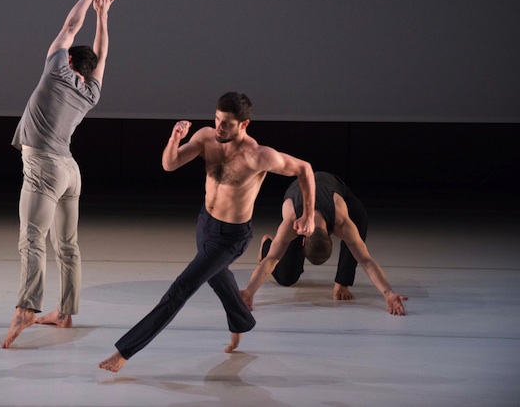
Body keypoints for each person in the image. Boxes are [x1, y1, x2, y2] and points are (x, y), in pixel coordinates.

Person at [99, 92, 316, 372]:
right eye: (217, 119)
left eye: (226, 123)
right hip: (205, 223)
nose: (219, 127)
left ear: (244, 125)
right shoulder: (206, 138)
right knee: (216, 277)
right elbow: (170, 164)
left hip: (231, 238)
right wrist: (174, 139)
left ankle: (124, 352)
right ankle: (242, 321)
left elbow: (304, 169)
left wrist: (308, 215)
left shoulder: (258, 155)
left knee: (181, 288)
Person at [2, 0, 117, 349]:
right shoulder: (92, 92)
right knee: (67, 245)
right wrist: (104, 16)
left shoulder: (55, 71)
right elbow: (102, 55)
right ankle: (65, 313)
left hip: (45, 169)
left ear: (68, 59)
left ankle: (26, 308)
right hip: (70, 171)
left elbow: (70, 24)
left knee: (32, 239)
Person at [240, 171, 408, 315]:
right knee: (286, 278)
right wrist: (249, 291)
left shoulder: (342, 222)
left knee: (360, 219)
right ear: (303, 239)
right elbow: (271, 260)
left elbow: (366, 260)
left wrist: (389, 294)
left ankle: (342, 283)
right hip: (298, 188)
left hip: (331, 184)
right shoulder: (291, 222)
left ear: (333, 236)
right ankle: (267, 244)